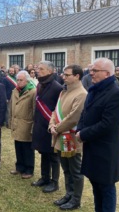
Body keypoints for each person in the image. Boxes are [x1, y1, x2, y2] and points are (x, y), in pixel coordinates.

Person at [75, 57, 119, 212]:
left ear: (107, 73)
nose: (91, 73)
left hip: (105, 148)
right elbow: (85, 112)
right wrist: (80, 128)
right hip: (92, 145)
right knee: (95, 183)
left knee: (106, 186)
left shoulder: (116, 94)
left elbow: (108, 124)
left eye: (95, 71)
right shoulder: (94, 89)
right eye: (91, 70)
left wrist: (83, 134)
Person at [49, 64, 87, 210]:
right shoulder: (63, 92)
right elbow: (55, 111)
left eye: (67, 75)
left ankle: (75, 199)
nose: (63, 77)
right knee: (66, 168)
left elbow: (73, 118)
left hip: (70, 138)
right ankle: (68, 194)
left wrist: (56, 128)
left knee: (75, 170)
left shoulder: (82, 94)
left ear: (77, 76)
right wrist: (52, 125)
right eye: (63, 74)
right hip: (59, 135)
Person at [31, 61, 63, 193]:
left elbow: (58, 109)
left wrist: (55, 125)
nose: (38, 71)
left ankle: (54, 182)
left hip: (51, 126)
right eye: (38, 68)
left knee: (53, 156)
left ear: (50, 71)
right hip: (40, 124)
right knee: (43, 152)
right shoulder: (40, 84)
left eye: (42, 69)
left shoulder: (57, 87)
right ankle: (44, 177)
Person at [8, 71, 36, 179]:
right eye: (18, 80)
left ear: (27, 80)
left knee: (27, 148)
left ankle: (29, 169)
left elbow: (34, 109)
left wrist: (33, 125)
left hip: (26, 123)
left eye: (21, 80)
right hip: (16, 122)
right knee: (18, 146)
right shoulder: (15, 91)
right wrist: (10, 120)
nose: (18, 82)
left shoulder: (32, 91)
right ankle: (19, 167)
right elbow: (11, 106)